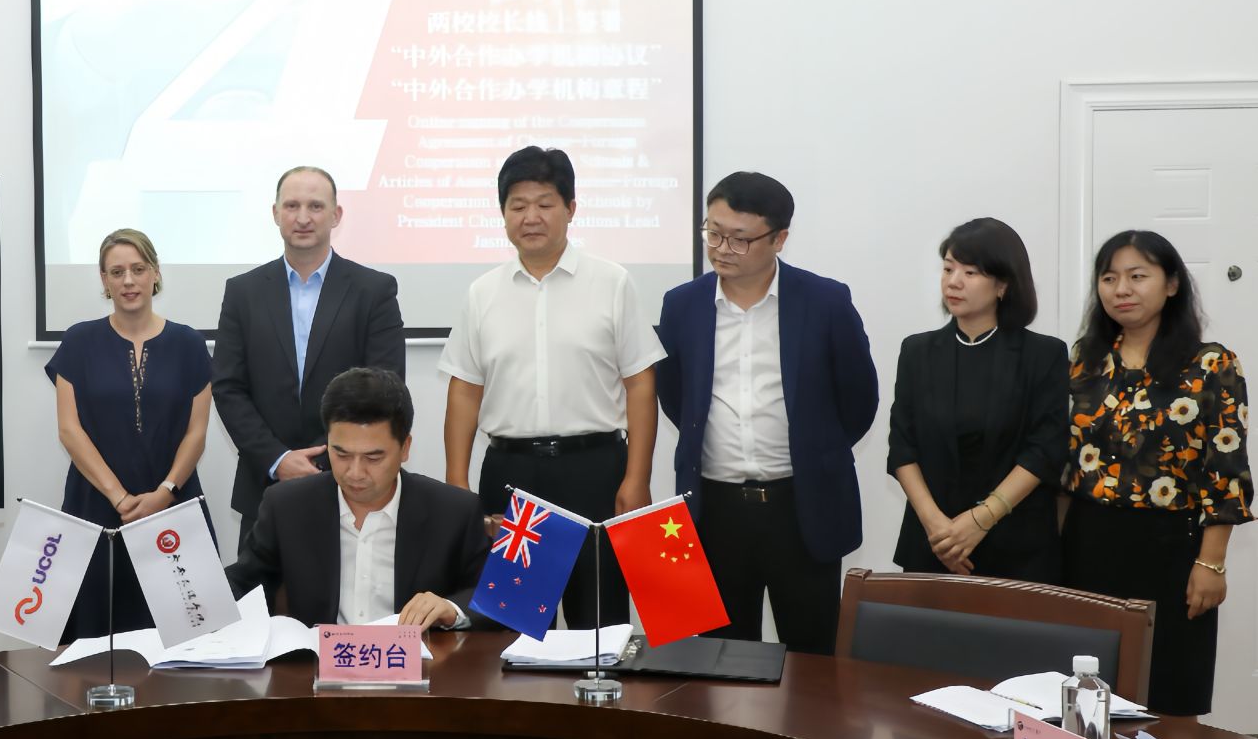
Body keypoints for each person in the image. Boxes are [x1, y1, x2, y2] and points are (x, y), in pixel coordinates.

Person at [654, 172, 879, 655]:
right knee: (720, 658)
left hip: (801, 507)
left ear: (779, 239)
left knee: (812, 656)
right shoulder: (682, 305)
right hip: (713, 509)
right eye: (713, 232)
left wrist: (817, 449)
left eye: (739, 238)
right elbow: (675, 396)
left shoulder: (826, 302)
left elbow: (859, 398)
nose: (722, 249)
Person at [441, 146, 659, 629]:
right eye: (517, 205)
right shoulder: (483, 292)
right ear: (503, 214)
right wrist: (457, 484)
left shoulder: (612, 282)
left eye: (544, 203)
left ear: (571, 208)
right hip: (512, 476)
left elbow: (641, 383)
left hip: (596, 471)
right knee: (512, 626)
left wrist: (637, 477)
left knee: (598, 626)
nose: (531, 217)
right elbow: (465, 390)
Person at [1064, 230, 1253, 716]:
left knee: (1169, 694)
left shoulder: (1212, 363)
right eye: (1109, 278)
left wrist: (1212, 563)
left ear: (1171, 285)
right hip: (1087, 542)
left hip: (1172, 547)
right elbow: (1064, 461)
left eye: (1137, 276)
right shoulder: (1084, 361)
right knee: (1087, 696)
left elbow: (1226, 471)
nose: (1121, 289)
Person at [212, 166, 404, 556]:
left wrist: (328, 460)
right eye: (292, 206)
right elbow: (228, 387)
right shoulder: (243, 292)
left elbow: (385, 386)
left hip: (350, 484)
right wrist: (277, 459)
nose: (303, 217)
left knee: (344, 594)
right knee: (260, 594)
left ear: (336, 215)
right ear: (275, 213)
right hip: (264, 486)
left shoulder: (374, 290)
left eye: (316, 206)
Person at [47, 229, 214, 641]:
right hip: (96, 508)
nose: (128, 281)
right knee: (95, 641)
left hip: (173, 507)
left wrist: (165, 493)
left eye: (138, 269)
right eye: (117, 271)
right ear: (103, 279)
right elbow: (69, 430)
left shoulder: (190, 343)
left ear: (155, 273)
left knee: (186, 638)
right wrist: (120, 498)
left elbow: (197, 433)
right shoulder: (79, 340)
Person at [229, 367, 485, 627]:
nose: (355, 473)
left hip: (414, 653)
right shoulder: (287, 506)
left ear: (405, 448)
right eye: (341, 455)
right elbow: (242, 583)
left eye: (373, 458)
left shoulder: (453, 512)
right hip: (316, 652)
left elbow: (493, 596)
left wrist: (451, 608)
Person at [887, 219, 1067, 584]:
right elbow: (903, 448)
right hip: (932, 543)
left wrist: (979, 521)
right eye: (948, 269)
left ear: (1003, 285)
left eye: (970, 272)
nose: (953, 282)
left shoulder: (1043, 354)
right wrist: (939, 529)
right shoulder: (917, 351)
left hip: (1015, 545)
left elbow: (1045, 450)